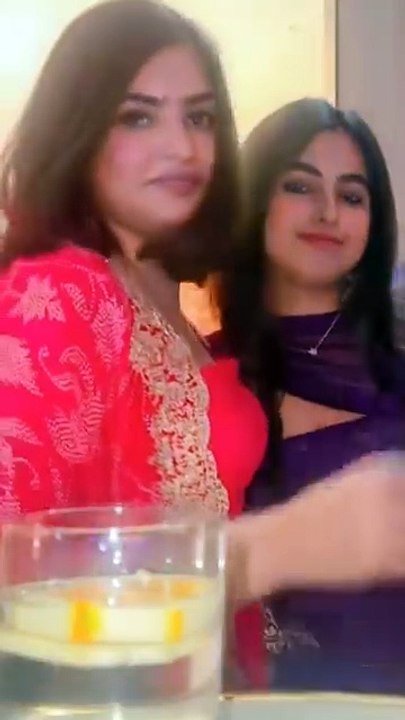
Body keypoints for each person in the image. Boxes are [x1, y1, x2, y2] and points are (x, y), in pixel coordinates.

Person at [3, 1, 405, 691]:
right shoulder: (60, 290)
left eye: (200, 118)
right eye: (138, 117)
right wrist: (269, 550)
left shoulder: (161, 299)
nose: (183, 148)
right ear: (77, 129)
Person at [218, 98, 405, 691]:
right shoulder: (204, 374)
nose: (328, 212)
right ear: (256, 200)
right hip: (265, 697)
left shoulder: (398, 362)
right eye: (299, 186)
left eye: (352, 196)